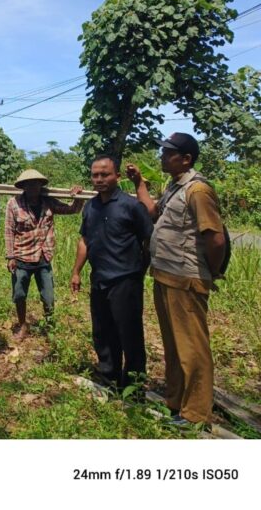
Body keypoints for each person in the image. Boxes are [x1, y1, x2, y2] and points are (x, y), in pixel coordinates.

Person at [126, 133, 226, 426]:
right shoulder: (175, 186)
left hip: (186, 278)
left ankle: (195, 414)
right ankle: (177, 401)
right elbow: (155, 213)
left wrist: (209, 271)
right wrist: (139, 183)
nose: (163, 156)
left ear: (186, 159)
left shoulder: (198, 191)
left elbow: (215, 238)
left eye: (168, 153)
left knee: (192, 347)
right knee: (174, 344)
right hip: (166, 275)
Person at [71, 155, 154, 388]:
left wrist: (139, 272)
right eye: (95, 175)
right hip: (99, 279)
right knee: (103, 333)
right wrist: (76, 271)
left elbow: (148, 240)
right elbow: (85, 240)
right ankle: (109, 381)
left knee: (130, 335)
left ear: (117, 176)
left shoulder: (131, 206)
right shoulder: (91, 206)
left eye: (105, 174)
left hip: (126, 281)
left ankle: (133, 388)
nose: (99, 179)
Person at [5, 169, 84, 341]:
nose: (33, 186)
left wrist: (78, 197)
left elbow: (71, 210)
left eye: (36, 183)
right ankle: (22, 324)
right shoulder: (14, 204)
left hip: (43, 256)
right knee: (19, 294)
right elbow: (9, 231)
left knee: (48, 295)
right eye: (29, 183)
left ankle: (49, 325)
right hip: (21, 256)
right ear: (23, 186)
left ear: (41, 185)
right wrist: (10, 256)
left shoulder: (48, 202)